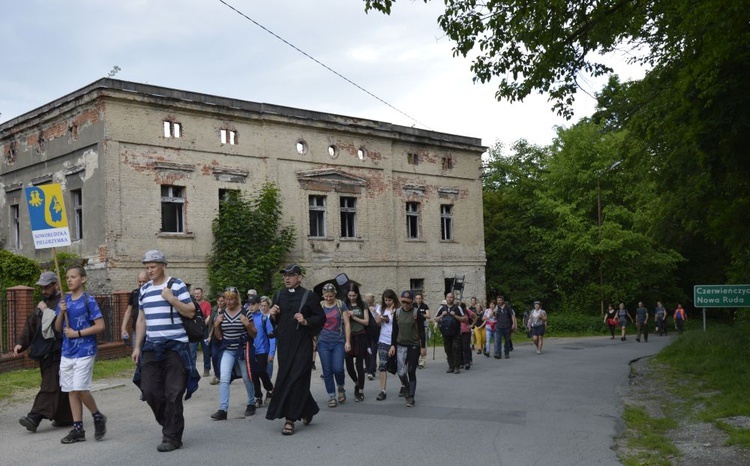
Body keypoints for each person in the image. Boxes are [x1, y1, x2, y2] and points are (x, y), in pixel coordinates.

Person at [131, 250, 199, 453]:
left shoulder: (176, 285)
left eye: (153, 266)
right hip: (152, 347)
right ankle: (170, 424)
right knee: (150, 391)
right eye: (147, 267)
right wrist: (137, 346)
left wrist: (171, 299)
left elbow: (190, 311)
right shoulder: (144, 291)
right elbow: (141, 319)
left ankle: (171, 436)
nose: (149, 270)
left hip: (175, 347)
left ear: (163, 266)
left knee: (173, 392)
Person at [266, 265, 325, 436]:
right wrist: (273, 314)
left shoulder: (309, 296)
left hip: (302, 344)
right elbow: (275, 322)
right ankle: (308, 409)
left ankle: (290, 420)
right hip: (284, 344)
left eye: (291, 275)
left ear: (299, 277)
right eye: (285, 275)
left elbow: (321, 318)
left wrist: (306, 321)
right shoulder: (278, 295)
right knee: (288, 378)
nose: (287, 278)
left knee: (296, 378)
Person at [53, 266, 107, 444]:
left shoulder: (88, 300)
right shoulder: (64, 300)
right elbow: (57, 328)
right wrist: (61, 311)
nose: (69, 280)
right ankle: (78, 429)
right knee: (70, 390)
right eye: (67, 277)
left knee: (80, 388)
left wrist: (78, 333)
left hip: (85, 349)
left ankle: (97, 415)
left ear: (83, 279)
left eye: (73, 277)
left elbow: (100, 326)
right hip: (67, 351)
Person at [15, 271, 73, 433]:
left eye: (47, 287)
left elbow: (60, 326)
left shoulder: (64, 302)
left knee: (50, 385)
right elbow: (31, 324)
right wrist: (21, 344)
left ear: (55, 285)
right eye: (42, 288)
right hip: (44, 352)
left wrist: (48, 310)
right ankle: (65, 416)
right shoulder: (42, 303)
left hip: (60, 351)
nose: (44, 291)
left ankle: (34, 417)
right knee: (60, 385)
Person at [211, 287, 258, 420]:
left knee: (246, 377)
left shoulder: (245, 312)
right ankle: (223, 409)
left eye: (231, 298)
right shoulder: (221, 313)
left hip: (242, 349)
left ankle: (251, 402)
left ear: (237, 299)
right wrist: (216, 325)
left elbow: (254, 334)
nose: (228, 301)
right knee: (224, 378)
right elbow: (219, 336)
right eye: (226, 299)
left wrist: (247, 325)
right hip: (228, 349)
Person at [389, 290, 426, 407]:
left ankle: (411, 397)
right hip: (400, 345)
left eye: (408, 302)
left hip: (414, 345)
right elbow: (394, 331)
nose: (405, 304)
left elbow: (421, 331)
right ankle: (407, 386)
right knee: (401, 372)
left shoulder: (416, 313)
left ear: (412, 302)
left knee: (411, 370)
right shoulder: (397, 313)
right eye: (403, 302)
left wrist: (423, 347)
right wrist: (392, 345)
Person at [317, 283, 351, 407]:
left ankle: (340, 387)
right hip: (323, 342)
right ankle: (331, 395)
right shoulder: (320, 306)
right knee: (327, 370)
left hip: (338, 341)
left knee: (338, 368)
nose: (328, 298)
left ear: (334, 294)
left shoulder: (341, 305)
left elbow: (347, 324)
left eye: (330, 296)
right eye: (326, 296)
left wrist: (347, 341)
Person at [343, 282, 369, 402]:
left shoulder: (363, 304)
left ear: (357, 294)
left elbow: (366, 322)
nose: (352, 297)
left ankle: (360, 391)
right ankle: (356, 382)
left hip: (361, 335)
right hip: (348, 337)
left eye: (354, 295)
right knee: (348, 364)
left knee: (359, 364)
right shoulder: (344, 305)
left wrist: (353, 317)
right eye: (350, 295)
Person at [249, 294, 275, 408]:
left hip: (263, 350)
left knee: (261, 372)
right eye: (249, 304)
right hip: (251, 351)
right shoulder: (247, 318)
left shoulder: (264, 318)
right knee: (253, 375)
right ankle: (258, 396)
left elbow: (272, 336)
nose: (251, 306)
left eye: (253, 304)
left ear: (259, 304)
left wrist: (272, 352)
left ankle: (270, 389)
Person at [434, 292, 466, 374]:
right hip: (445, 332)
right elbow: (435, 319)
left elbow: (464, 319)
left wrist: (455, 316)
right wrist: (441, 315)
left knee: (456, 348)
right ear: (445, 298)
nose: (449, 298)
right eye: (448, 297)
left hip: (455, 332)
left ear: (454, 298)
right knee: (448, 349)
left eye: (451, 297)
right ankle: (450, 366)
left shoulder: (457, 307)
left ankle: (456, 366)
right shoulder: (442, 308)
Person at [375, 289, 397, 401]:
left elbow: (398, 322)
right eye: (386, 300)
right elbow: (376, 322)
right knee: (382, 365)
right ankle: (383, 390)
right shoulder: (381, 308)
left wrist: (393, 313)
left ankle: (404, 385)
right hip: (383, 340)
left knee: (399, 365)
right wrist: (382, 319)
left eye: (390, 300)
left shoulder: (398, 309)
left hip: (396, 340)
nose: (387, 302)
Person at [120, 271, 148, 345]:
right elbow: (128, 312)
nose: (141, 284)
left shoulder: (152, 293)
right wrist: (123, 328)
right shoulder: (134, 293)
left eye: (144, 281)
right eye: (139, 281)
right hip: (136, 329)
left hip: (149, 330)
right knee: (136, 353)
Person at [193, 287, 213, 377]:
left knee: (206, 350)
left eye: (198, 293)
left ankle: (206, 369)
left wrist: (204, 324)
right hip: (194, 329)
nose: (197, 295)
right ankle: (192, 369)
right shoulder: (192, 303)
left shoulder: (207, 304)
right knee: (192, 350)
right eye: (195, 293)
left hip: (204, 329)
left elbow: (209, 316)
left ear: (202, 294)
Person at [207, 295, 225, 385]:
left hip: (224, 336)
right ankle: (217, 375)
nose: (220, 302)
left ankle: (223, 375)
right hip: (214, 337)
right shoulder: (214, 309)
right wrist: (209, 335)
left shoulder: (226, 310)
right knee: (214, 356)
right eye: (218, 301)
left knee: (222, 357)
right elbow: (211, 324)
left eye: (222, 301)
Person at [259, 296, 277, 390]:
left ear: (268, 306)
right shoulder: (258, 316)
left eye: (265, 305)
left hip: (271, 340)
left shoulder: (271, 315)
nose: (263, 307)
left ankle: (269, 387)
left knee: (269, 363)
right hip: (261, 343)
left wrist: (272, 351)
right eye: (261, 305)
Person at [493, 295, 517, 359]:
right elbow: (495, 316)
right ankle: (498, 354)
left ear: (503, 300)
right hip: (499, 326)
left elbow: (512, 315)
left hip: (507, 326)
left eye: (500, 300)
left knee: (507, 340)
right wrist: (494, 312)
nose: (499, 302)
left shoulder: (507, 307)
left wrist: (513, 324)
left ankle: (506, 353)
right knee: (498, 340)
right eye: (498, 300)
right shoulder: (497, 307)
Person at [364, 292, 380, 381]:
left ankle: (371, 371)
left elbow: (379, 320)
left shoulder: (378, 308)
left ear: (373, 299)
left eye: (370, 299)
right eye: (367, 300)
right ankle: (369, 368)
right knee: (366, 351)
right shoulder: (364, 307)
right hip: (366, 332)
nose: (368, 301)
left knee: (373, 351)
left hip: (375, 332)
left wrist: (374, 312)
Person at [414, 292, 430, 369]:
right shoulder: (413, 306)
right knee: (415, 343)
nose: (418, 300)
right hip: (414, 326)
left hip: (423, 325)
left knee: (423, 342)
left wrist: (421, 314)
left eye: (420, 298)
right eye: (417, 298)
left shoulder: (424, 306)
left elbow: (428, 316)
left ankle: (422, 361)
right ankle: (415, 360)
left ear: (422, 299)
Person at [460, 301, 476, 369]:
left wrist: (472, 325)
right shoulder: (455, 311)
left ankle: (467, 362)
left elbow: (475, 317)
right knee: (459, 347)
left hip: (466, 331)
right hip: (458, 331)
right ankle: (461, 362)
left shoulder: (466, 310)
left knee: (466, 347)